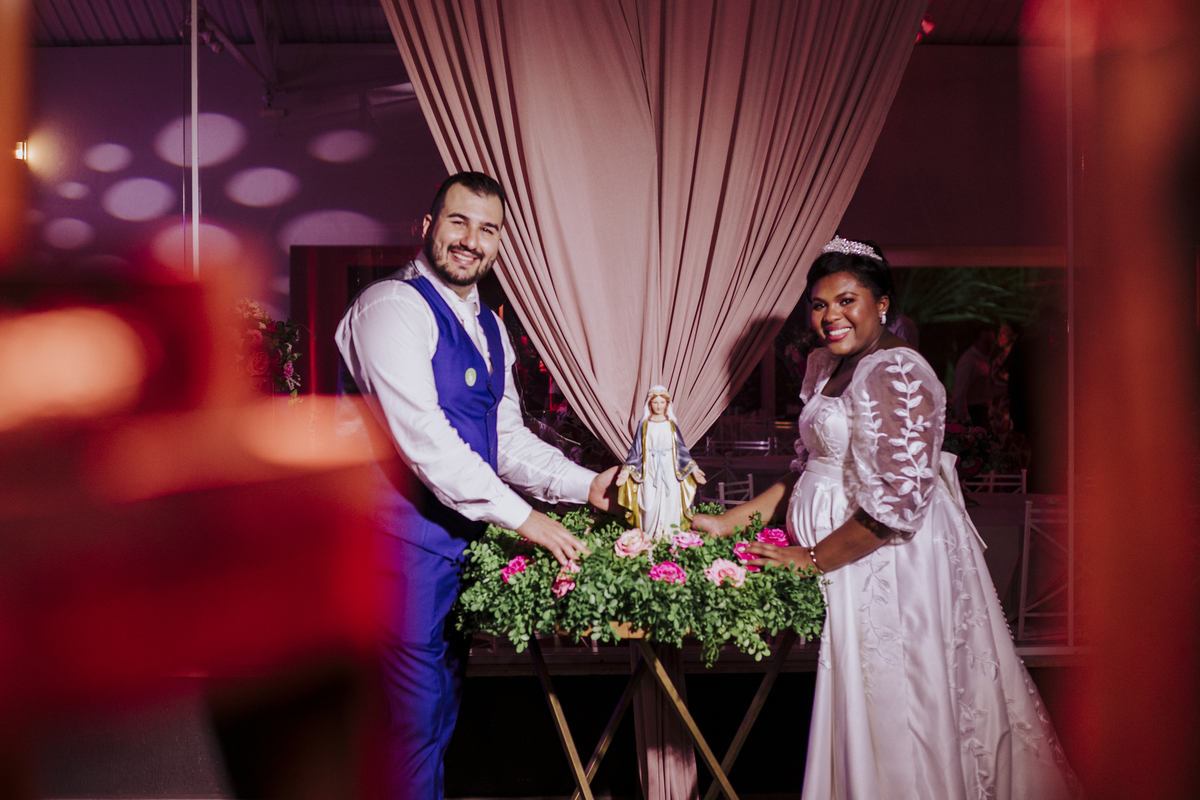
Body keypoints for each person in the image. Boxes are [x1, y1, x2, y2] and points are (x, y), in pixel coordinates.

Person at [692, 237, 1080, 800]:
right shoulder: (826, 364)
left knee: (897, 705)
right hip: (844, 559)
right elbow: (809, 467)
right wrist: (732, 521)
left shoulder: (899, 371)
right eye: (819, 304)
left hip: (888, 563)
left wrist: (811, 557)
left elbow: (897, 507)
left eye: (846, 300)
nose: (831, 316)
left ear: (882, 304)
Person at [335, 172, 619, 800]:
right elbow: (424, 440)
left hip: (456, 549)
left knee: (438, 716)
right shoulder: (390, 308)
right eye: (458, 221)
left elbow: (505, 439)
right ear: (427, 226)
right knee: (408, 723)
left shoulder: (489, 326)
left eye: (487, 229)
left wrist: (586, 485)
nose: (471, 240)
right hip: (393, 550)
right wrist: (528, 520)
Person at [616, 386, 706, 536]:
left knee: (670, 502)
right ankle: (649, 536)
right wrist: (626, 471)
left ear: (667, 404)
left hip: (669, 468)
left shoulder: (671, 424)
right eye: (655, 402)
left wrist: (694, 469)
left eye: (662, 402)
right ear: (649, 404)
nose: (658, 406)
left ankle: (669, 536)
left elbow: (681, 449)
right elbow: (636, 450)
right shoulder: (644, 424)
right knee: (648, 504)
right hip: (649, 468)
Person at [953, 326, 996, 427]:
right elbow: (959, 394)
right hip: (974, 413)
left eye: (992, 342)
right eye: (986, 342)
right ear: (976, 342)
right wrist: (965, 420)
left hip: (980, 413)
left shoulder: (982, 359)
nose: (990, 346)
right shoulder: (969, 361)